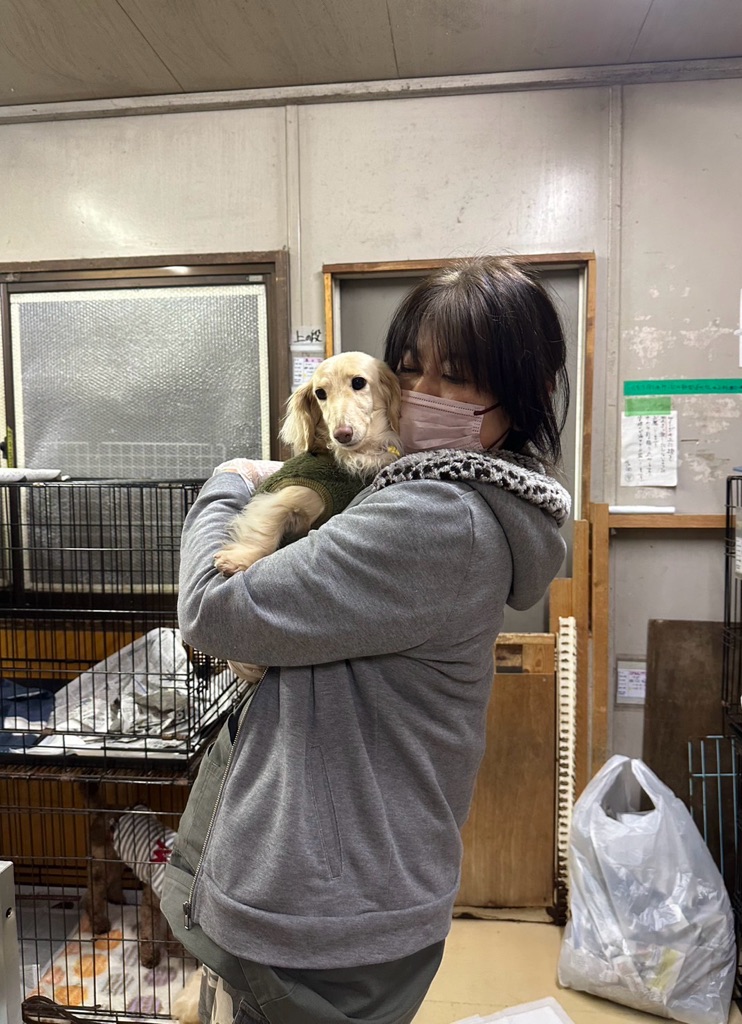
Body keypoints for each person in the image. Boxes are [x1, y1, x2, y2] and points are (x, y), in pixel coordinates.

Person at [161, 256, 571, 1024]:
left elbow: (212, 610)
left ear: (528, 393)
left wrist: (230, 482)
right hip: (355, 885)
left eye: (458, 378)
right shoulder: (438, 495)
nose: (422, 393)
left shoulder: (434, 518)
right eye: (410, 370)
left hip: (322, 911)